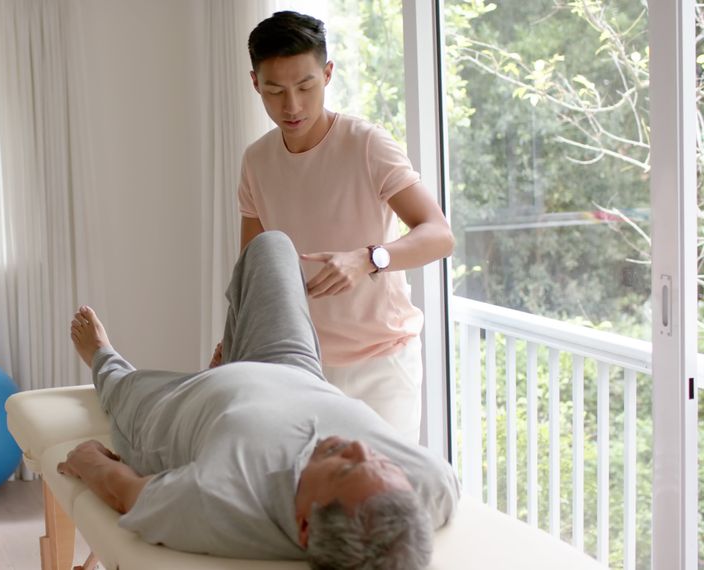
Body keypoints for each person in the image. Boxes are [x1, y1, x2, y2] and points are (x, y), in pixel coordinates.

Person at [60, 231, 459, 569]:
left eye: (343, 470)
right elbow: (440, 486)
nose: (357, 447)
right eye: (378, 460)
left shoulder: (222, 501)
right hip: (294, 369)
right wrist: (359, 470)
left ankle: (102, 357)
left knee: (123, 387)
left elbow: (125, 494)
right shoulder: (426, 485)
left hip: (180, 409)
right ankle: (229, 362)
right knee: (271, 244)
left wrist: (87, 459)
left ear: (304, 526)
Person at [229, 11, 455, 443]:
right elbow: (253, 271)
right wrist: (236, 345)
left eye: (305, 86)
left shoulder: (366, 144)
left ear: (327, 74)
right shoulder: (256, 161)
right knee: (309, 502)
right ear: (256, 83)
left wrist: (369, 258)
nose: (291, 105)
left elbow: (439, 234)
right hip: (300, 365)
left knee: (384, 499)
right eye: (275, 90)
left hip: (381, 364)